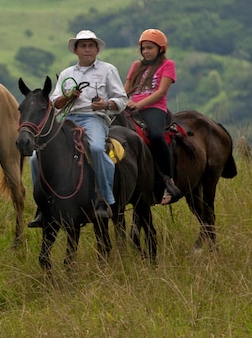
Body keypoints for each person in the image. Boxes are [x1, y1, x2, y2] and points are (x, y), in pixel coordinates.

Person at [28, 29, 126, 226]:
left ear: (97, 49)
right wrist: (68, 97)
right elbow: (55, 102)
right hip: (67, 119)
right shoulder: (67, 73)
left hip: (94, 118)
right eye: (83, 46)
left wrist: (105, 105)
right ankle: (42, 205)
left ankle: (105, 198)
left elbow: (121, 99)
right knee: (34, 158)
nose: (87, 49)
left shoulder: (108, 70)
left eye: (91, 46)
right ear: (76, 50)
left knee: (97, 149)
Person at [124, 28, 183, 205]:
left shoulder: (168, 65)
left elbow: (161, 92)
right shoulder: (136, 66)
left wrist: (138, 104)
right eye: (144, 48)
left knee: (157, 136)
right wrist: (115, 102)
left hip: (154, 108)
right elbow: (125, 90)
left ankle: (168, 181)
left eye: (150, 48)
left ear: (160, 49)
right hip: (131, 107)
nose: (146, 51)